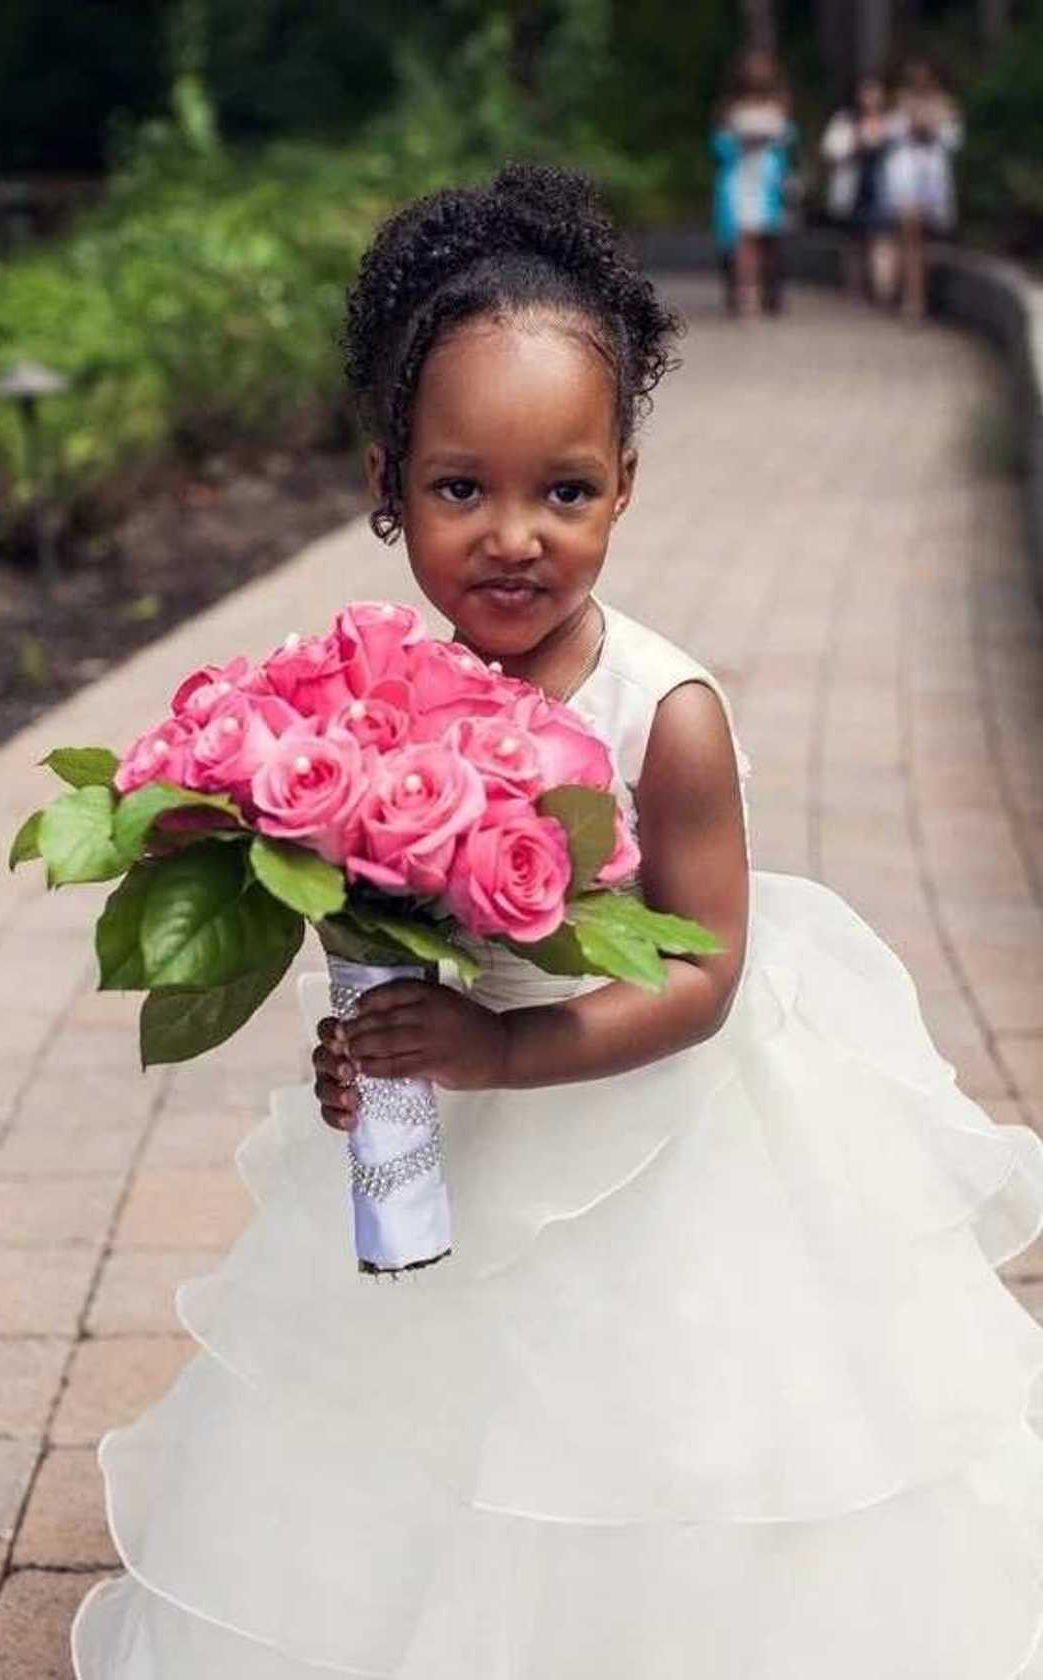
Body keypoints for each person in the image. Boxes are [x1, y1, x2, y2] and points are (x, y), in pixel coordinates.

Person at [71, 162, 1043, 1677]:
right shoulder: (374, 694)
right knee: (436, 1420)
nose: (515, 535)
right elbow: (378, 909)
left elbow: (708, 971)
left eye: (565, 491)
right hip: (457, 1130)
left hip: (665, 1136)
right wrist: (377, 1041)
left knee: (655, 1426)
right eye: (463, 488)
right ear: (384, 485)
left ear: (626, 483)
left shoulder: (671, 715)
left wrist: (498, 1053)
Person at [712, 48, 798, 317]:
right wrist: (739, 144)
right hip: (739, 180)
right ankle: (745, 295)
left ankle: (766, 293)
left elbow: (790, 140)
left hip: (768, 181)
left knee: (767, 241)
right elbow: (718, 146)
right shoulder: (728, 109)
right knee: (742, 241)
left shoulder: (780, 106)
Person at [882, 57, 963, 320]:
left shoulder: (945, 106)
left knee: (925, 239)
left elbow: (954, 140)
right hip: (906, 175)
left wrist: (934, 126)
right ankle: (912, 298)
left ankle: (914, 292)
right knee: (910, 235)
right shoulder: (898, 105)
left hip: (933, 176)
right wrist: (910, 123)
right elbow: (889, 135)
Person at [820, 73, 903, 305]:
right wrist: (858, 141)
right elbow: (831, 151)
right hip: (854, 187)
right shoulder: (845, 120)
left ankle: (883, 292)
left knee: (882, 238)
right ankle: (854, 289)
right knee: (852, 241)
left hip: (883, 188)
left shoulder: (892, 121)